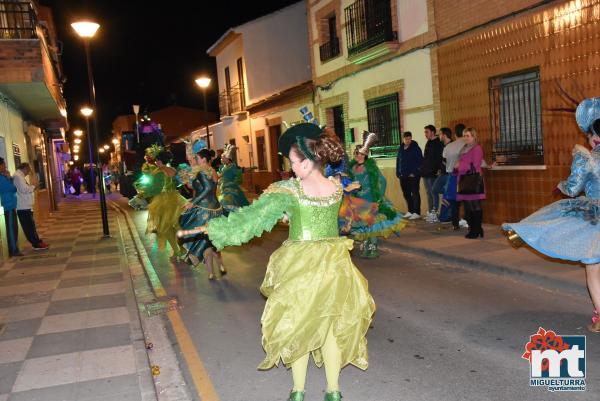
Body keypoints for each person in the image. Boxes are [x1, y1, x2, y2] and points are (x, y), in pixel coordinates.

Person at [180, 123, 375, 401]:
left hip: (302, 265)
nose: (291, 168)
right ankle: (333, 392)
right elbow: (330, 218)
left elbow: (250, 221)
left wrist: (213, 229)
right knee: (331, 326)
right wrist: (294, 217)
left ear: (307, 162)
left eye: (294, 162)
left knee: (298, 324)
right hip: (335, 263)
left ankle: (298, 392)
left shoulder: (289, 190)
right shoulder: (335, 187)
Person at [503, 97, 600, 332]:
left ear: (594, 138)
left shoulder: (586, 158)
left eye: (589, 136)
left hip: (594, 218)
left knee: (594, 269)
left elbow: (573, 188)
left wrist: (560, 185)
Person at [348, 132, 406, 258]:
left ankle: (373, 248)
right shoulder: (352, 168)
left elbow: (383, 181)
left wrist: (379, 196)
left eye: (361, 153)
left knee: (372, 224)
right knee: (363, 225)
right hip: (358, 201)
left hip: (371, 199)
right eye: (356, 153)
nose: (358, 155)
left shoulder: (370, 167)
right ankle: (366, 247)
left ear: (365, 154)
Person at [179, 144, 226, 280]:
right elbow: (202, 188)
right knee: (211, 242)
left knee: (205, 241)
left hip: (206, 211)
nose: (195, 160)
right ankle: (218, 268)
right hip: (214, 208)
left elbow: (207, 189)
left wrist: (192, 202)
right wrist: (187, 181)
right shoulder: (211, 170)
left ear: (203, 159)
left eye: (196, 158)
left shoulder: (203, 171)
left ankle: (209, 270)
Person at [145, 149, 187, 258]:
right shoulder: (173, 170)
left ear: (159, 161)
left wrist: (143, 193)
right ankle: (182, 248)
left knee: (165, 227)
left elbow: (156, 189)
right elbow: (178, 183)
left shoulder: (159, 172)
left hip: (162, 200)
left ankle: (176, 250)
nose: (156, 162)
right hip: (176, 198)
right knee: (177, 225)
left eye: (157, 160)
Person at [455, 127, 486, 238]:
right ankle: (475, 228)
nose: (465, 138)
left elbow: (475, 164)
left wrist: (460, 166)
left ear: (474, 136)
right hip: (464, 180)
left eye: (468, 136)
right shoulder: (464, 148)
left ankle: (475, 230)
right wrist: (457, 166)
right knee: (468, 207)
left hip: (473, 180)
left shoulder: (477, 148)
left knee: (475, 206)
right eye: (464, 135)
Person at [13, 163, 49, 251]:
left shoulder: (19, 176)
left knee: (31, 226)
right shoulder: (18, 176)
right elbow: (24, 189)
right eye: (28, 171)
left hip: (26, 206)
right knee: (29, 227)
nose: (28, 173)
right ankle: (36, 244)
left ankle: (37, 242)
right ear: (24, 168)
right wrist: (34, 186)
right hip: (23, 207)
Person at [443, 123, 467, 230]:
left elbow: (444, 158)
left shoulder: (449, 146)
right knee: (467, 198)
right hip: (465, 175)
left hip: (451, 175)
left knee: (454, 201)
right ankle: (466, 220)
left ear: (455, 133)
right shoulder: (467, 145)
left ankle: (455, 223)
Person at [396, 131, 423, 220]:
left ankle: (417, 212)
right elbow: (398, 161)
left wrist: (414, 173)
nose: (408, 140)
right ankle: (410, 211)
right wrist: (398, 172)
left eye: (409, 139)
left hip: (413, 176)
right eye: (406, 139)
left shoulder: (416, 148)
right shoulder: (400, 148)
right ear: (403, 139)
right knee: (406, 193)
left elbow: (420, 162)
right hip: (403, 175)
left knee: (415, 193)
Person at [420, 125, 444, 221]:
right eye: (425, 132)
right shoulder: (428, 142)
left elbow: (439, 158)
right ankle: (430, 212)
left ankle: (435, 213)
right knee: (428, 193)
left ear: (433, 132)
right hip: (426, 172)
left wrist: (438, 170)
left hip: (433, 172)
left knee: (433, 193)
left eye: (427, 132)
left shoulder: (438, 143)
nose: (425, 134)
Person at [0, 158, 22, 257]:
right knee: (11, 229)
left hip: (11, 205)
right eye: (4, 164)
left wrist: (9, 178)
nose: (5, 166)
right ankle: (13, 250)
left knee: (14, 228)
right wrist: (9, 179)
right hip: (8, 206)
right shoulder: (1, 178)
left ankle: (14, 249)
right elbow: (12, 188)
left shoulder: (3, 177)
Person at [217, 144, 249, 211]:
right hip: (222, 186)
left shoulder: (232, 166)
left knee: (230, 201)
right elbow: (220, 175)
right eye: (221, 158)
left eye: (223, 158)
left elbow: (238, 172)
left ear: (228, 158)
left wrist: (246, 169)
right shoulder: (223, 167)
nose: (221, 159)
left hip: (230, 187)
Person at [432, 127, 454, 223]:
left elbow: (450, 161)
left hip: (450, 174)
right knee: (434, 189)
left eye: (440, 134)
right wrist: (440, 169)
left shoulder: (452, 145)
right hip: (443, 173)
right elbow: (442, 160)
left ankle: (448, 215)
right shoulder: (442, 145)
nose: (438, 136)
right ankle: (435, 211)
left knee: (447, 193)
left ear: (444, 135)